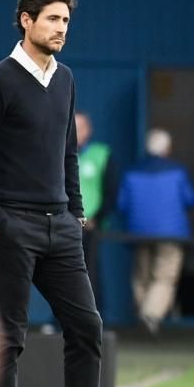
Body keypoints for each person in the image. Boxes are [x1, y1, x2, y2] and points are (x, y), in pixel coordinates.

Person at [0, 0, 142, 387]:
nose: (61, 28)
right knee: (9, 336)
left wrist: (75, 211)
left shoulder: (64, 79)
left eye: (65, 20)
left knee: (86, 326)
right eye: (52, 19)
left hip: (60, 225)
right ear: (26, 19)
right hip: (11, 226)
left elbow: (68, 151)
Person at [117, 128, 194, 335]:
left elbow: (121, 204)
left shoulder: (131, 171)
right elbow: (190, 200)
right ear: (167, 149)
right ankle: (150, 315)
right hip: (171, 234)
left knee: (141, 275)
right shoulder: (178, 172)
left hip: (138, 233)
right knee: (165, 276)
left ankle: (144, 315)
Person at [74, 110, 118, 301]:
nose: (75, 132)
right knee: (60, 273)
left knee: (90, 270)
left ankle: (97, 318)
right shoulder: (57, 153)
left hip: (91, 225)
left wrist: (97, 219)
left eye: (80, 127)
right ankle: (60, 320)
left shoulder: (102, 154)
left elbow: (111, 190)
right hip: (64, 224)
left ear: (88, 130)